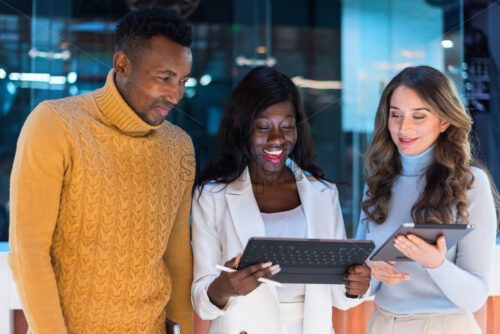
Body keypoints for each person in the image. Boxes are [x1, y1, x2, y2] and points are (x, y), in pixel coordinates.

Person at [8, 7, 195, 333]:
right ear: (122, 64)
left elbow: (177, 256)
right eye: (163, 78)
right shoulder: (55, 124)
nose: (175, 94)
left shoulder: (180, 145)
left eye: (182, 81)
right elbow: (29, 253)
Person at [191, 66, 371, 334]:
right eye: (263, 127)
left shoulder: (323, 194)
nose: (277, 139)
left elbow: (339, 296)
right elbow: (201, 302)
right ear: (242, 129)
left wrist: (356, 286)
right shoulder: (212, 196)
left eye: (286, 127)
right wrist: (225, 287)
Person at [356, 65, 499, 334]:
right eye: (395, 115)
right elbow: (364, 286)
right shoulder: (377, 183)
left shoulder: (470, 184)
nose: (403, 127)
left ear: (444, 121)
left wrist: (436, 263)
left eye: (418, 116)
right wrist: (372, 268)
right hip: (382, 324)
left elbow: (476, 295)